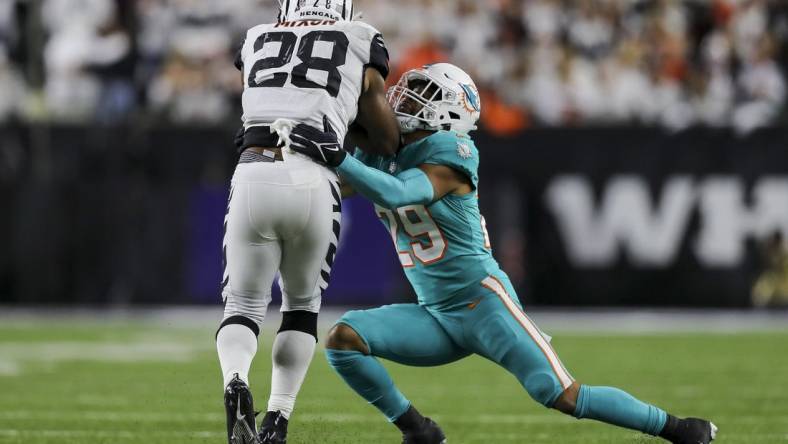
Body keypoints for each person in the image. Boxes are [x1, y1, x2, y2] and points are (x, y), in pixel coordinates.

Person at [288, 62, 717, 444]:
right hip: (432, 311)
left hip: (482, 302)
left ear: (451, 112)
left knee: (561, 394)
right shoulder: (385, 153)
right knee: (344, 340)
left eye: (427, 93)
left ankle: (677, 428)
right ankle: (417, 429)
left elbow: (400, 193)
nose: (406, 96)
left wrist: (337, 153)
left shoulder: (452, 151)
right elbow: (332, 183)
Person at [216, 1, 400, 443]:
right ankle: (277, 420)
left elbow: (266, 93)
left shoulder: (257, 37)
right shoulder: (359, 37)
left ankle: (235, 379)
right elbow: (386, 138)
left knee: (241, 306)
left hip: (254, 168)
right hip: (315, 178)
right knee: (301, 308)